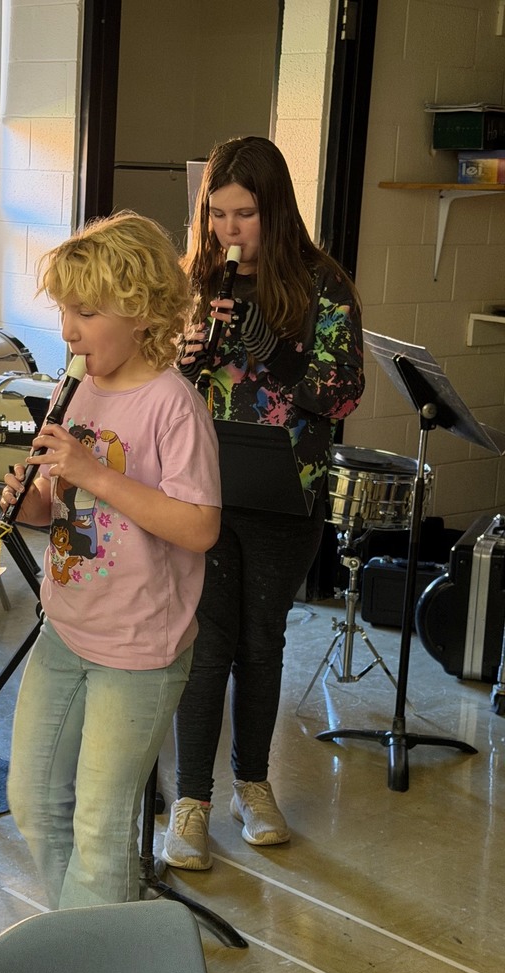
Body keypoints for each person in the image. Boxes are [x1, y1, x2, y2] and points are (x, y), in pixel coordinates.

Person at [0, 211, 222, 908]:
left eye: (87, 313)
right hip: (66, 627)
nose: (68, 330)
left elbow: (199, 527)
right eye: (65, 311)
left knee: (101, 827)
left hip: (139, 648)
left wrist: (93, 473)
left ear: (144, 312)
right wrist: (31, 504)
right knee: (33, 798)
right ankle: (87, 942)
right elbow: (57, 506)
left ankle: (89, 959)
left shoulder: (173, 406)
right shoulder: (78, 389)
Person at [162, 136, 364, 870]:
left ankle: (253, 785)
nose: (229, 231)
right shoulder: (195, 279)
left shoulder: (321, 284)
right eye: (216, 215)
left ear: (274, 211)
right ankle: (191, 801)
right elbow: (157, 391)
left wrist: (270, 350)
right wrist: (186, 365)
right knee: (207, 643)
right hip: (202, 488)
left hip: (284, 492)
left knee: (260, 642)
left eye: (243, 215)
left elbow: (341, 394)